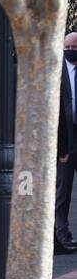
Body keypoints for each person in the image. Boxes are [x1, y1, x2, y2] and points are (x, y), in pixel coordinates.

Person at [56, 32, 77, 254]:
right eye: (67, 47)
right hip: (66, 138)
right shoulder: (57, 71)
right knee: (62, 190)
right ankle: (61, 234)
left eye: (74, 47)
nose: (70, 50)